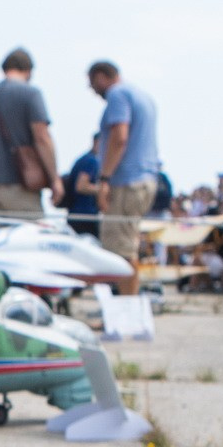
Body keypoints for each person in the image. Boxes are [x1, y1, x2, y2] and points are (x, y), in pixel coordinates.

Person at [86, 60, 160, 289]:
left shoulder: (118, 95)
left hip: (126, 182)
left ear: (101, 77)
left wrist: (105, 179)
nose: (92, 89)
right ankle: (125, 311)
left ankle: (125, 317)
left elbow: (120, 138)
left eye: (92, 83)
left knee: (120, 253)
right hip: (144, 179)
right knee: (126, 248)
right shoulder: (142, 96)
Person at [0, 48, 57, 222]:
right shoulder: (31, 94)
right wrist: (55, 180)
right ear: (28, 71)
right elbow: (42, 138)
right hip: (19, 187)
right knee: (27, 244)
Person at [60, 137, 103, 237]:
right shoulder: (91, 161)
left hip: (76, 214)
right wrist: (103, 190)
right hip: (85, 215)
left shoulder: (84, 159)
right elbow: (81, 186)